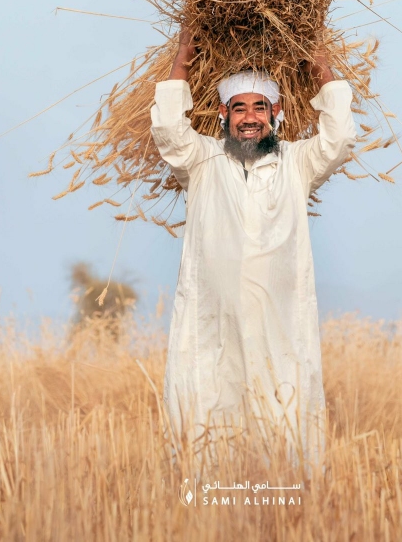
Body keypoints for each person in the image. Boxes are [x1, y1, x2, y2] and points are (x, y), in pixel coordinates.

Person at [150, 25, 356, 471]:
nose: (248, 117)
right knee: (207, 417)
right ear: (223, 114)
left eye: (258, 108)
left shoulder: (299, 163)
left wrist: (319, 61)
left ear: (275, 113)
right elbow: (168, 128)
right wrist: (184, 55)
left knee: (283, 420)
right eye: (238, 108)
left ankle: (287, 508)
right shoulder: (201, 160)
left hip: (280, 324)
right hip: (212, 324)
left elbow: (338, 139)